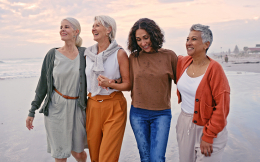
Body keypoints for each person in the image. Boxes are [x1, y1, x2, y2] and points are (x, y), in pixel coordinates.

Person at [25, 17, 87, 162]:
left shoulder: (85, 54)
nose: (62, 30)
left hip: (78, 108)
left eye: (66, 27)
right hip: (56, 108)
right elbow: (42, 86)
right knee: (60, 154)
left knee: (78, 153)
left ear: (76, 31)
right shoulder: (52, 54)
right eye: (61, 27)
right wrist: (32, 110)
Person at [176, 24, 230, 162]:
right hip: (185, 124)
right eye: (187, 39)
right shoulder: (183, 62)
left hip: (208, 126)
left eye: (193, 39)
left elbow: (222, 107)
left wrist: (208, 135)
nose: (188, 42)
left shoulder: (215, 69)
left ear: (206, 44)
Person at [127, 18, 178, 162]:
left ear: (154, 35)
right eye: (138, 39)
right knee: (145, 158)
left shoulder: (169, 56)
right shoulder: (133, 57)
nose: (143, 43)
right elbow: (126, 82)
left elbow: (182, 83)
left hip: (161, 114)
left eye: (145, 38)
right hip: (137, 114)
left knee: (157, 158)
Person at [84, 15, 131, 162]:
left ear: (108, 29)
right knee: (95, 157)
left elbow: (128, 84)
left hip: (114, 106)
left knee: (107, 157)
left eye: (97, 25)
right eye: (93, 25)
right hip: (92, 105)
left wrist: (110, 84)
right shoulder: (87, 54)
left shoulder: (120, 53)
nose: (93, 28)